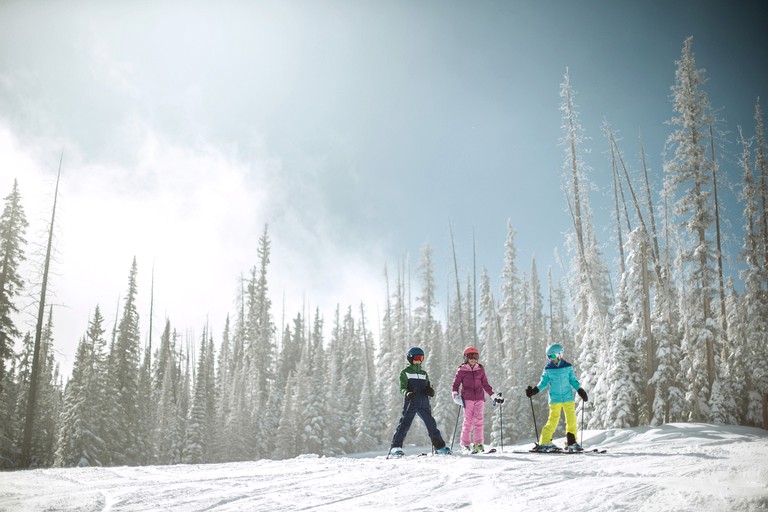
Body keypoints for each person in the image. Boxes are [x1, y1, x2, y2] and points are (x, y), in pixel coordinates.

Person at [525, 343, 588, 452]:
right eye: (549, 357)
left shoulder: (567, 367)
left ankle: (571, 442)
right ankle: (544, 441)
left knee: (571, 420)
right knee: (553, 420)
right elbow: (543, 383)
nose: (551, 359)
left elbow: (573, 380)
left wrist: (580, 390)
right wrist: (534, 390)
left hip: (568, 398)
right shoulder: (548, 369)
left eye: (552, 356)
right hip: (555, 399)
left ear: (560, 354)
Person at [389, 347, 451, 457]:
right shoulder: (405, 372)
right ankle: (395, 447)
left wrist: (429, 390)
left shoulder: (424, 373)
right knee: (405, 423)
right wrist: (407, 393)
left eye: (421, 358)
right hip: (411, 401)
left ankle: (439, 447)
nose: (418, 360)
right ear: (410, 358)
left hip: (424, 402)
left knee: (431, 424)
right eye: (416, 358)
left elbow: (428, 385)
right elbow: (402, 388)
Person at [451, 346, 503, 453]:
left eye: (475, 356)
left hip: (479, 398)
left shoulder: (480, 369)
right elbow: (455, 385)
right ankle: (465, 445)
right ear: (466, 357)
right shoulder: (462, 370)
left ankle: (478, 444)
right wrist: (455, 396)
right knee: (468, 422)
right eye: (471, 356)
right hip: (467, 399)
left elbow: (485, 384)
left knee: (479, 421)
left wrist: (493, 395)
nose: (473, 359)